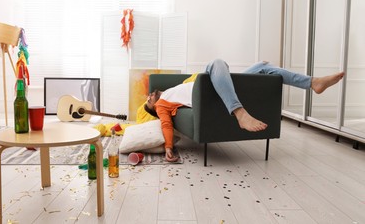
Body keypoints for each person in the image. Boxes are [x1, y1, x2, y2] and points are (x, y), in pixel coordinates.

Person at [144, 59, 345, 162]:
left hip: (220, 87)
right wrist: (169, 147)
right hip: (210, 96)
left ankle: (313, 83)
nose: (149, 96)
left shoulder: (171, 89)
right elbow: (166, 124)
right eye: (148, 102)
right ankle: (239, 113)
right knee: (216, 62)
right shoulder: (163, 105)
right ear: (154, 107)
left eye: (149, 97)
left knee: (264, 67)